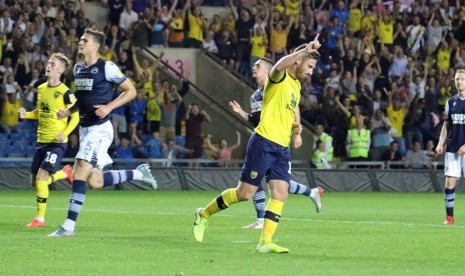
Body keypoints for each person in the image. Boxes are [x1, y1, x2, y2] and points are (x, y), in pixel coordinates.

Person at [192, 35, 322, 253]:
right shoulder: (278, 76)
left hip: (281, 148)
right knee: (244, 194)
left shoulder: (296, 87)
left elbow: (286, 111)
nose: (311, 72)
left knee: (280, 193)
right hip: (263, 142)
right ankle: (203, 214)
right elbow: (280, 64)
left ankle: (265, 242)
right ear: (298, 61)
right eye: (309, 66)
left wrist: (294, 128)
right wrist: (303, 50)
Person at [47, 28, 157, 237]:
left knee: (79, 171)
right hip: (85, 129)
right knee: (94, 181)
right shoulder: (79, 68)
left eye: (84, 40)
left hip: (100, 129)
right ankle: (139, 173)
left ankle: (68, 226)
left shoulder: (107, 67)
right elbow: (83, 99)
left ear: (95, 46)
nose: (80, 42)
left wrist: (109, 107)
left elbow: (131, 90)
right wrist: (68, 111)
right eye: (80, 39)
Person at [230, 57, 324, 229]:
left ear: (268, 70)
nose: (253, 68)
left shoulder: (279, 84)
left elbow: (294, 104)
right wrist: (241, 113)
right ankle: (262, 220)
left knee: (277, 183)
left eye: (257, 66)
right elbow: (256, 121)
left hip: (278, 141)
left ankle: (310, 193)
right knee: (270, 181)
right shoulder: (256, 95)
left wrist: (297, 132)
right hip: (263, 139)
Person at [18, 53, 78, 228]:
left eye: (53, 63)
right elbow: (40, 111)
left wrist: (65, 132)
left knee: (42, 179)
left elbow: (75, 117)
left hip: (57, 143)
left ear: (61, 69)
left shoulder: (66, 93)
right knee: (34, 182)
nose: (48, 65)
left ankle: (40, 219)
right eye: (48, 62)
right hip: (41, 141)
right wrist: (26, 115)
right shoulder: (41, 88)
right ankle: (65, 172)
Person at [435, 69, 465, 225]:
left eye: (461, 79)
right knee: (450, 181)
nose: (459, 81)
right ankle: (449, 217)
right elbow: (446, 126)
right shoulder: (450, 102)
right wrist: (441, 143)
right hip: (453, 148)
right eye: (457, 79)